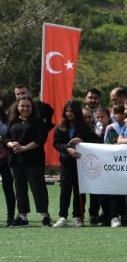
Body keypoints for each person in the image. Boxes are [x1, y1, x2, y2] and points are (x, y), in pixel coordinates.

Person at [4, 96, 51, 226]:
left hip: (34, 161)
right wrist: (12, 144)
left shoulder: (38, 121)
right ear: (17, 107)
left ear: (32, 107)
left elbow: (40, 139)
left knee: (38, 188)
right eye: (22, 106)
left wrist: (24, 148)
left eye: (28, 106)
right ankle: (22, 217)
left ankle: (44, 216)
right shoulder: (12, 121)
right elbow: (6, 138)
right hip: (16, 161)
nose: (25, 108)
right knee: (20, 189)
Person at [52, 99, 97, 227]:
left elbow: (93, 141)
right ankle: (63, 216)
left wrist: (81, 141)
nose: (69, 113)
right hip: (66, 163)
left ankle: (78, 216)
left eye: (72, 111)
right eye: (67, 111)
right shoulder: (60, 127)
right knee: (65, 190)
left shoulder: (85, 127)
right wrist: (68, 149)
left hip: (81, 163)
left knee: (79, 191)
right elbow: (56, 143)